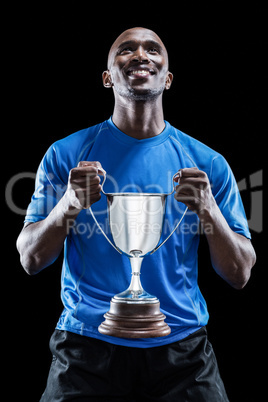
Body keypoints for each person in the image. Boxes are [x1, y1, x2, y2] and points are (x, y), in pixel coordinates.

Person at [17, 27, 256, 401]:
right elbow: (30, 259)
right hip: (86, 349)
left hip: (182, 351)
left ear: (168, 77)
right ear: (107, 77)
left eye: (153, 50)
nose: (141, 55)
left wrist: (209, 210)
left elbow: (240, 273)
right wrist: (69, 203)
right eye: (126, 50)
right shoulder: (66, 155)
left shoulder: (207, 164)